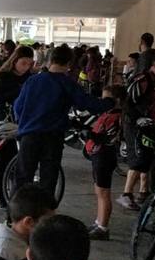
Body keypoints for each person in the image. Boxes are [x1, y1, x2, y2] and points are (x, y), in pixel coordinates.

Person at [12, 44, 112, 202]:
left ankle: (14, 216)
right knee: (48, 179)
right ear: (69, 64)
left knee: (23, 178)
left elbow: (18, 107)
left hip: (29, 136)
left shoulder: (33, 80)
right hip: (52, 138)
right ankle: (43, 216)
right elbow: (86, 103)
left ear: (51, 59)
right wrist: (109, 102)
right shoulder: (67, 84)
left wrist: (24, 123)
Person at [118, 51, 155, 210]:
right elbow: (127, 103)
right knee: (138, 159)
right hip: (135, 125)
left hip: (152, 125)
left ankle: (143, 192)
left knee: (148, 157)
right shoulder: (142, 80)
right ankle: (126, 194)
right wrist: (137, 118)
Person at [0, 45, 35, 209]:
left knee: (16, 160)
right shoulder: (3, 77)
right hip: (2, 119)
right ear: (14, 60)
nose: (26, 67)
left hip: (20, 122)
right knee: (2, 159)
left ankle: (12, 195)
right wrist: (21, 91)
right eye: (23, 63)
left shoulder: (29, 77)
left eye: (29, 64)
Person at [84, 85, 126, 240]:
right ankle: (98, 221)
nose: (103, 101)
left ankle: (103, 227)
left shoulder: (117, 117)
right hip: (98, 155)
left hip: (105, 156)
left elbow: (108, 139)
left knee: (104, 193)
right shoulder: (108, 114)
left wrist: (90, 135)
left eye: (107, 98)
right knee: (99, 191)